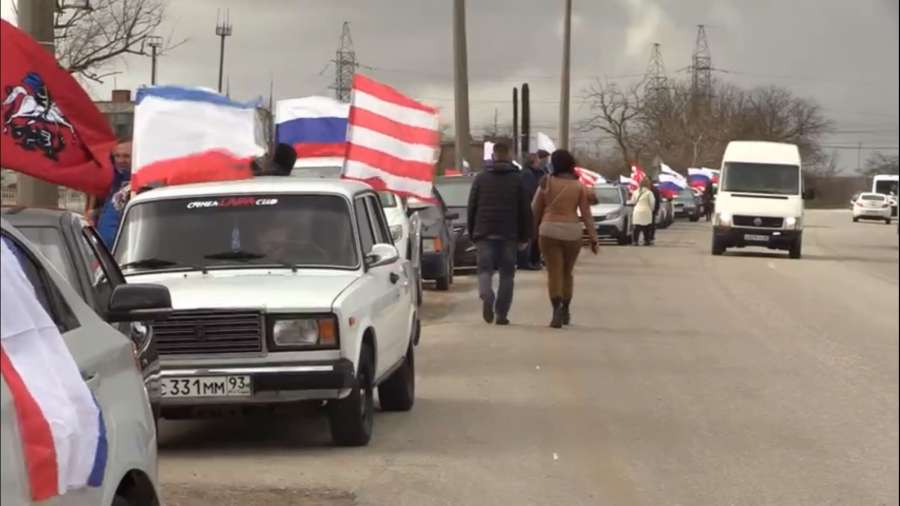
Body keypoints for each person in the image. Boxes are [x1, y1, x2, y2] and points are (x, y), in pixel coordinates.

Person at [531, 150, 599, 329]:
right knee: (567, 272)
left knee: (554, 271)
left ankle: (555, 310)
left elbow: (535, 209)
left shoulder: (546, 182)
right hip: (572, 232)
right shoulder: (578, 186)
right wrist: (593, 238)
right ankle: (566, 309)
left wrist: (531, 231)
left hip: (548, 230)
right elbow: (586, 214)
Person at [467, 142, 533, 326]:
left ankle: (486, 294)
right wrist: (525, 236)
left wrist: (473, 232)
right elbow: (525, 210)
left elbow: (472, 206)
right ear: (509, 155)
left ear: (494, 155)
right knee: (507, 274)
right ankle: (501, 314)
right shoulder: (517, 179)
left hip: (484, 233)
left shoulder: (480, 178)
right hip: (509, 234)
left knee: (484, 269)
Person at [92, 140, 133, 248]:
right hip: (104, 251)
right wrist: (95, 213)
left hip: (125, 251)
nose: (120, 160)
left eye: (126, 156)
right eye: (117, 156)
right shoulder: (112, 182)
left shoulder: (142, 184)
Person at [518, 153, 546, 270]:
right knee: (531, 235)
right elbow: (530, 192)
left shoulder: (539, 173)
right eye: (537, 160)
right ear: (532, 162)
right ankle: (528, 260)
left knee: (535, 235)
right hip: (531, 208)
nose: (539, 162)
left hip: (537, 208)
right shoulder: (527, 174)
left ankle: (535, 259)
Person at [629, 178, 656, 246]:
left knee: (637, 227)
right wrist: (651, 210)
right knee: (646, 227)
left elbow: (633, 201)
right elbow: (652, 202)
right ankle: (646, 241)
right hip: (646, 210)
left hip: (637, 210)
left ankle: (635, 241)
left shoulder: (635, 192)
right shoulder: (649, 193)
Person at [648, 181, 662, 246]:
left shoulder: (655, 190)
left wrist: (656, 210)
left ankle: (651, 237)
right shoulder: (645, 190)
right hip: (646, 209)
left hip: (652, 210)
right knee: (647, 224)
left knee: (652, 224)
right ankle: (648, 237)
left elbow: (657, 201)